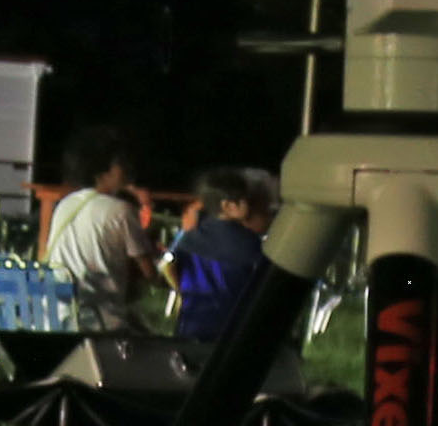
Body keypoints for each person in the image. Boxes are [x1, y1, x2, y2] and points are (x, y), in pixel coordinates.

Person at [41, 126, 157, 335]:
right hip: (99, 321)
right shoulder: (121, 210)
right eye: (120, 163)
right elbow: (149, 272)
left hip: (57, 314)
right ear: (102, 170)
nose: (127, 168)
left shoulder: (66, 204)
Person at [167, 167, 280, 348]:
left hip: (190, 323)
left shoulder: (189, 237)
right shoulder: (251, 246)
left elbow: (169, 266)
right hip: (229, 331)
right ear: (228, 206)